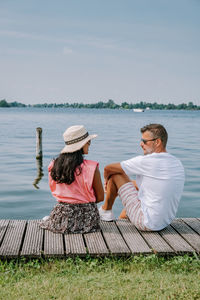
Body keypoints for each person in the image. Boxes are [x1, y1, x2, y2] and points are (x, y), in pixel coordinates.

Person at [99, 124, 185, 231]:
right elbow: (147, 185)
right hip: (164, 222)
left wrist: (107, 182)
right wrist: (120, 187)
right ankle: (123, 218)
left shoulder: (147, 161)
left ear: (157, 142)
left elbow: (108, 168)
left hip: (147, 222)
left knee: (116, 174)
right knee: (127, 208)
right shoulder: (176, 162)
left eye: (145, 141)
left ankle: (105, 211)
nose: (141, 144)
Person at [40, 125, 104, 234]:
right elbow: (100, 197)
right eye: (88, 142)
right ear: (82, 144)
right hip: (87, 220)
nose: (89, 144)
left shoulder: (54, 166)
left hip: (61, 217)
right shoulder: (92, 168)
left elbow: (55, 192)